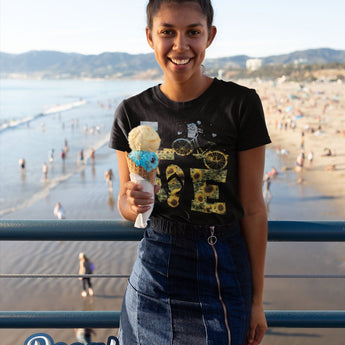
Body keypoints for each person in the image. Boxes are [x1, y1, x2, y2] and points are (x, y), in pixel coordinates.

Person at [109, 1, 270, 344]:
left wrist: (257, 301)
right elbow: (126, 207)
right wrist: (130, 202)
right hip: (155, 267)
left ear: (209, 36)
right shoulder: (131, 112)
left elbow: (253, 209)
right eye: (167, 32)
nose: (180, 46)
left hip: (222, 265)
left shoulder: (240, 104)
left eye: (193, 32)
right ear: (150, 37)